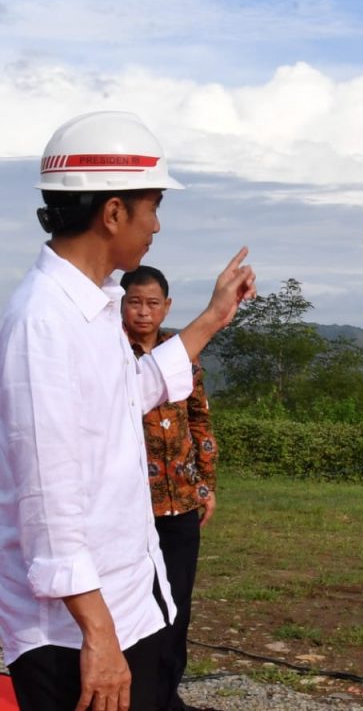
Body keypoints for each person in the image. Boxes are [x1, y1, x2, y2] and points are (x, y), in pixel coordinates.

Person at [0, 111, 255, 711]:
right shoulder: (44, 322)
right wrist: (99, 636)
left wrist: (215, 317)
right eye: (153, 206)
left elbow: (132, 390)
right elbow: (47, 503)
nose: (157, 225)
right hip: (74, 634)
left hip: (129, 600)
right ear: (113, 212)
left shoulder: (92, 309)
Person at [120, 265, 218, 711]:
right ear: (121, 305)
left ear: (167, 306)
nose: (143, 312)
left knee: (177, 606)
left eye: (152, 303)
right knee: (131, 610)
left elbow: (200, 419)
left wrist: (206, 484)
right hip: (126, 506)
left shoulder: (182, 353)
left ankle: (166, 696)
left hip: (179, 503)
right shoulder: (108, 352)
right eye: (134, 302)